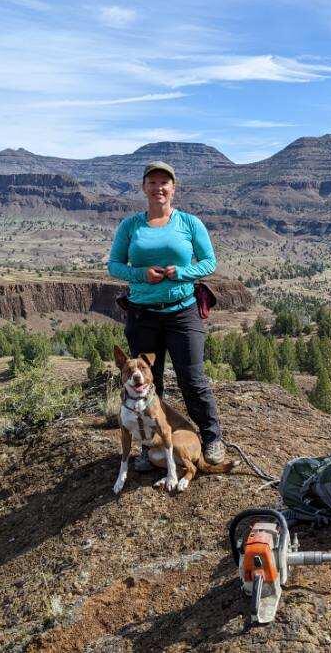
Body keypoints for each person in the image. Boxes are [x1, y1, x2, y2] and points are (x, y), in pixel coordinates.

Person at [107, 160, 225, 468]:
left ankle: (212, 438)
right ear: (144, 187)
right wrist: (141, 275)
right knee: (147, 380)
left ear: (173, 188)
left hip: (182, 312)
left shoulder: (189, 223)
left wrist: (183, 272)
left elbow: (209, 262)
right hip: (143, 315)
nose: (159, 188)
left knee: (192, 378)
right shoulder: (131, 225)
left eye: (165, 183)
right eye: (153, 182)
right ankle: (149, 446)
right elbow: (114, 266)